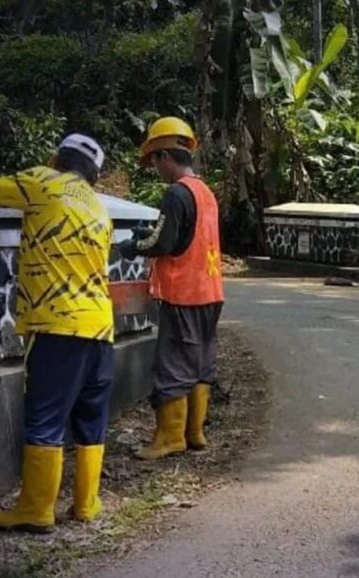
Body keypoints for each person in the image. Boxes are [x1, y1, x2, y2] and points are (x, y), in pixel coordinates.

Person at [0, 135, 114, 532]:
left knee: (45, 415)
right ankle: (87, 503)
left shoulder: (42, 182)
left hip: (59, 322)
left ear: (57, 158)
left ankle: (36, 508)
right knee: (90, 417)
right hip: (102, 325)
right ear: (94, 174)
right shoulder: (100, 208)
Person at [117, 117, 224, 460]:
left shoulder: (176, 194)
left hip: (183, 293)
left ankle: (169, 437)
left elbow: (163, 242)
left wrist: (135, 245)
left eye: (154, 161)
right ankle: (195, 432)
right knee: (200, 361)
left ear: (165, 155)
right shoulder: (205, 192)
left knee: (173, 362)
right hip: (210, 291)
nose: (155, 169)